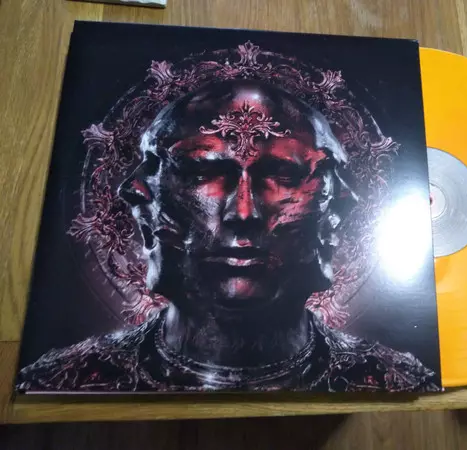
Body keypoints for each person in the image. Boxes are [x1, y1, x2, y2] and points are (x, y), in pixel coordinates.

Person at [17, 80, 438, 392]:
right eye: (203, 173)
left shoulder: (389, 380)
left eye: (282, 175)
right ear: (148, 203)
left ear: (332, 209)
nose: (243, 213)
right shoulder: (68, 380)